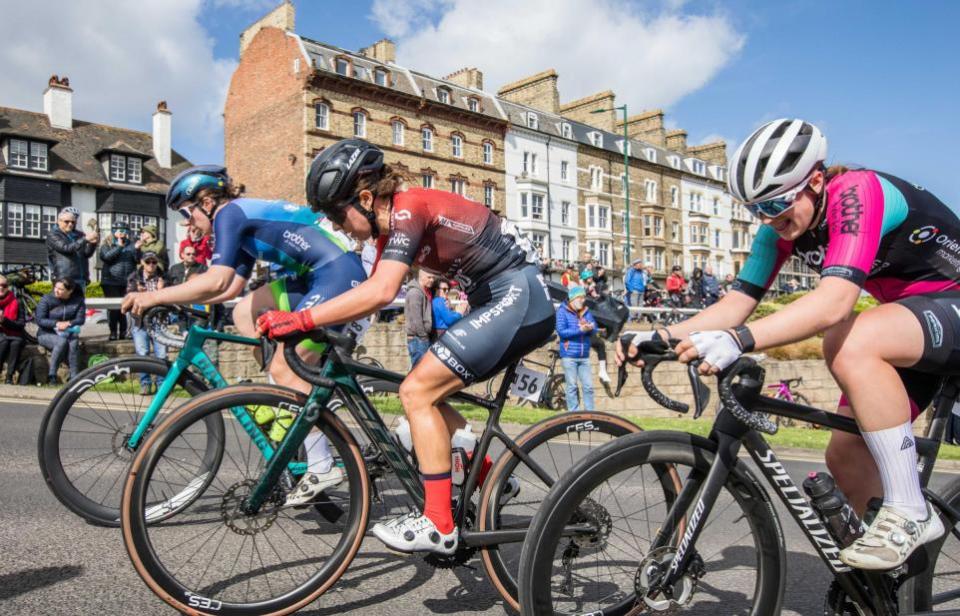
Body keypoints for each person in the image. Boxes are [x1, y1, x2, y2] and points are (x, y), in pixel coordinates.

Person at [620, 118, 956, 570]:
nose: (769, 219)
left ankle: (910, 510)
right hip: (907, 324)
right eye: (755, 208)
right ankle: (891, 583)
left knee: (850, 337)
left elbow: (834, 304)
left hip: (947, 305)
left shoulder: (856, 192)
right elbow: (737, 303)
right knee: (844, 453)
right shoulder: (778, 228)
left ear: (816, 180)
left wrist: (739, 340)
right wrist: (661, 335)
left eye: (777, 202)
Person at [256, 139, 550, 555]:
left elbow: (381, 290)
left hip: (517, 299)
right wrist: (317, 324)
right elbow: (369, 293)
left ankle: (438, 524)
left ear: (363, 198)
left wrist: (302, 319)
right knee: (423, 388)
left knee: (416, 392)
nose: (335, 226)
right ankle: (489, 478)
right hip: (498, 299)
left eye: (337, 214)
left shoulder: (409, 208)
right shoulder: (386, 234)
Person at [122, 164, 368, 507]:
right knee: (245, 311)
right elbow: (231, 289)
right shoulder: (234, 220)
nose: (186, 223)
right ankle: (284, 394)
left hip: (338, 276)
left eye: (186, 212)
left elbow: (218, 281)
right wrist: (178, 299)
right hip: (316, 276)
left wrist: (155, 296)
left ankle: (322, 463)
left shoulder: (229, 215)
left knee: (286, 368)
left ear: (207, 201)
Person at [127, 252, 167, 395]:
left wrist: (161, 290)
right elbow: (128, 297)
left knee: (161, 355)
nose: (151, 265)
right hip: (139, 321)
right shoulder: (134, 278)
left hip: (158, 320)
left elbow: (169, 298)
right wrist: (137, 292)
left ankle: (162, 385)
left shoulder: (163, 278)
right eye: (148, 262)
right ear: (142, 263)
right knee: (142, 354)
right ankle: (145, 384)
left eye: (154, 262)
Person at [36, 277, 85, 384]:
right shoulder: (47, 299)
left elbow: (81, 319)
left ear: (70, 291)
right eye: (55, 287)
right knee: (61, 342)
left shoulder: (78, 301)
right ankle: (52, 375)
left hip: (68, 332)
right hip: (46, 333)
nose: (56, 291)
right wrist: (56, 323)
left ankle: (74, 376)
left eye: (61, 289)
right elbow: (40, 320)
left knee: (74, 342)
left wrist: (69, 323)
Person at [555, 286, 597, 411]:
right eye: (581, 297)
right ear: (573, 299)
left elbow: (594, 329)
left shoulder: (586, 312)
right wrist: (580, 330)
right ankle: (574, 413)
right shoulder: (562, 311)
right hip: (569, 356)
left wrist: (590, 328)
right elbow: (562, 332)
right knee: (572, 386)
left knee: (588, 386)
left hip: (584, 356)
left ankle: (590, 413)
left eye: (584, 297)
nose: (583, 300)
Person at [99, 222, 138, 340]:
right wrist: (119, 247)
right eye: (119, 230)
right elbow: (106, 257)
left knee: (125, 308)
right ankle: (113, 332)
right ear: (113, 231)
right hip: (111, 281)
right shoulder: (106, 244)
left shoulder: (131, 245)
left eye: (124, 230)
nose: (122, 233)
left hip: (127, 281)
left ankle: (123, 331)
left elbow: (138, 260)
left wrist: (137, 250)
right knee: (113, 308)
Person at [46, 208, 97, 289]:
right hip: (64, 279)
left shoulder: (80, 234)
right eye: (67, 222)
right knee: (65, 302)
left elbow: (86, 254)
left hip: (81, 278)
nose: (70, 224)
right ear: (59, 221)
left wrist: (93, 243)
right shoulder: (53, 235)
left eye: (73, 222)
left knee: (80, 302)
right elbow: (66, 248)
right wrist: (85, 239)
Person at [404, 269, 435, 367]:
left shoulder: (424, 291)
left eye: (433, 277)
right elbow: (416, 318)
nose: (432, 280)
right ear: (421, 277)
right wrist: (423, 336)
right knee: (417, 370)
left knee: (420, 369)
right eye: (429, 277)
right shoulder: (415, 293)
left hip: (420, 337)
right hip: (418, 338)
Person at [0, 275, 26, 384]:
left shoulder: (17, 302)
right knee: (4, 342)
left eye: (4, 286)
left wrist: (4, 320)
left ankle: (9, 376)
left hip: (14, 333)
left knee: (16, 343)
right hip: (2, 334)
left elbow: (21, 324)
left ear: (8, 287)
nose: (1, 288)